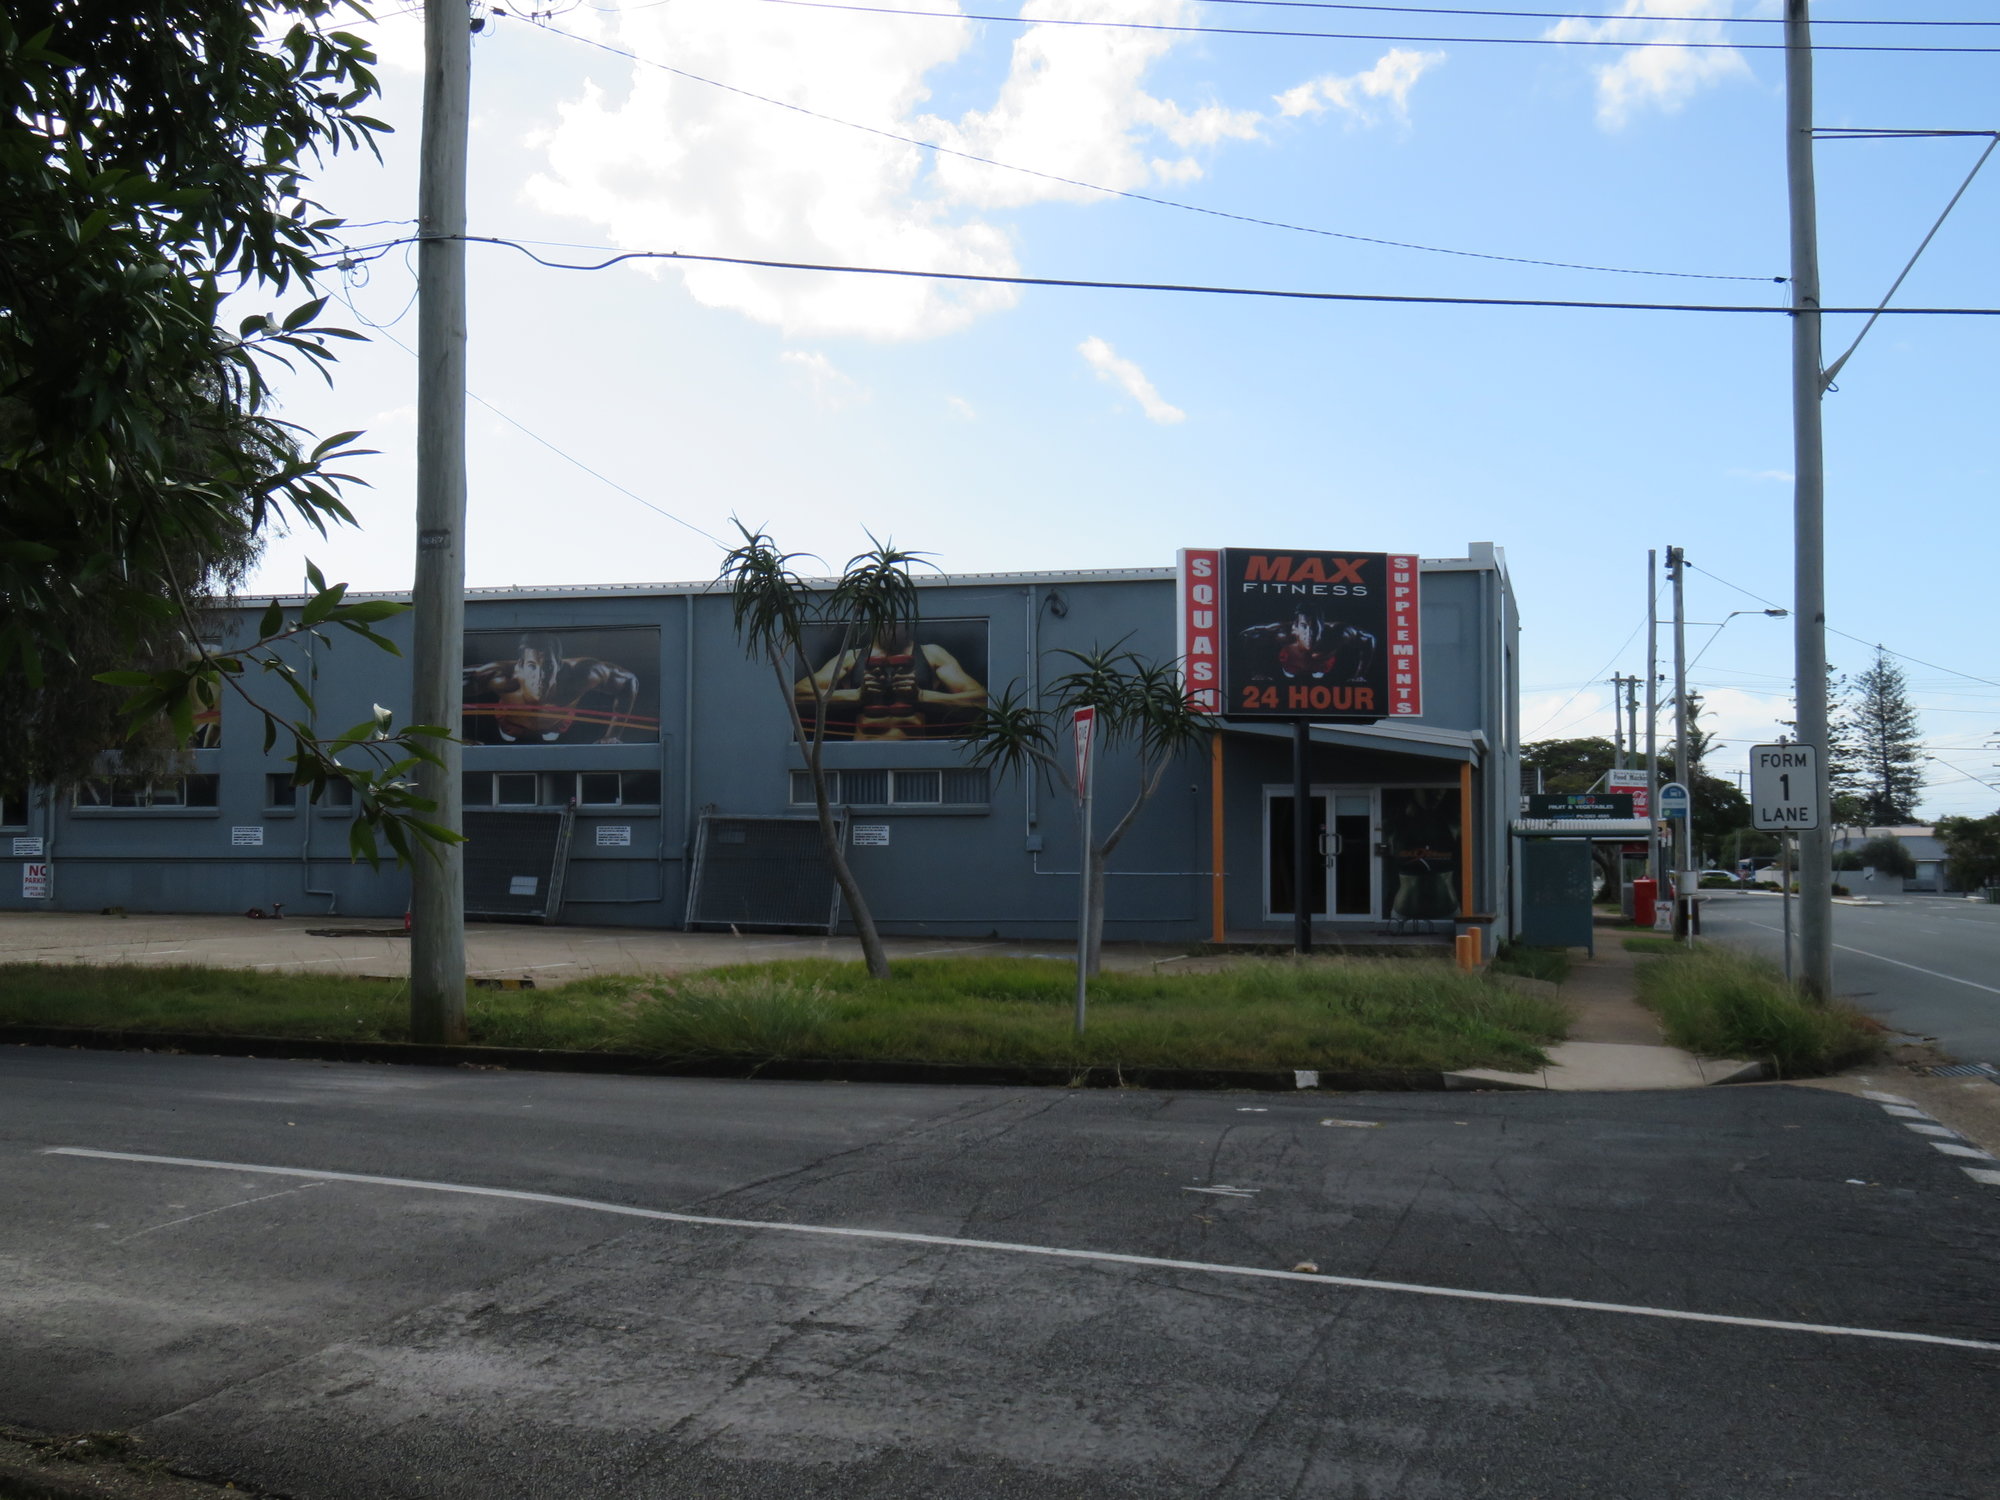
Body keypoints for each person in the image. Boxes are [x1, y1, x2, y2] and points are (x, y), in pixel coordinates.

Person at [794, 627, 986, 741]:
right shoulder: (851, 657)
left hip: (916, 758)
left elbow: (982, 702)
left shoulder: (932, 654)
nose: (891, 622)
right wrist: (856, 696)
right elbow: (797, 696)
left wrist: (921, 696)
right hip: (862, 757)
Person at [462, 634, 644, 744]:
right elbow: (451, 683)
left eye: (548, 667)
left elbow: (629, 681)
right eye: (532, 666)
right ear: (520, 666)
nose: (540, 676)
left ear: (559, 665)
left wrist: (612, 735)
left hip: (557, 724)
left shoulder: (581, 675)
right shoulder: (502, 677)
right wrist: (460, 738)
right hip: (510, 725)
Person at [1239, 610, 1377, 684]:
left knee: (1319, 659)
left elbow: (1368, 639)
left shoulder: (1338, 633)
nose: (1309, 633)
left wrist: (1359, 675)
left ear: (1323, 626)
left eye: (1315, 627)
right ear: (1295, 627)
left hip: (1322, 664)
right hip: (1292, 663)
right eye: (1304, 626)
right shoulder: (1284, 632)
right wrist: (1256, 672)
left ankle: (1318, 667)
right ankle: (1293, 669)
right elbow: (1247, 635)